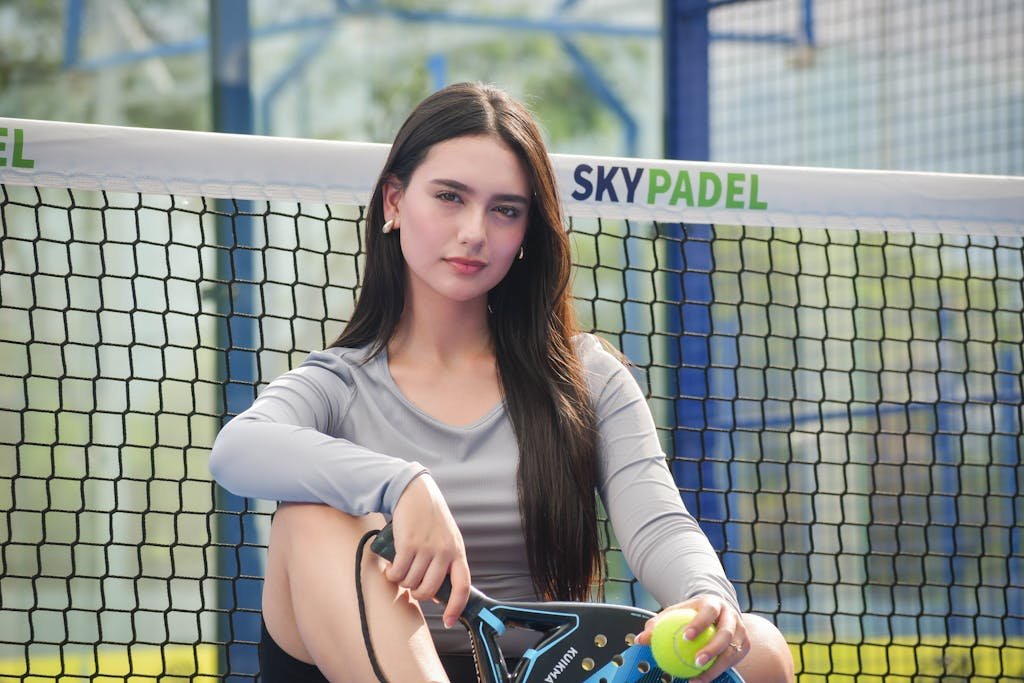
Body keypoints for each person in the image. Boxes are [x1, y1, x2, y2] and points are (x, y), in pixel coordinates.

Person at [209, 82, 794, 683]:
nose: (474, 231)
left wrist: (706, 597)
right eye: (449, 197)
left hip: (543, 671)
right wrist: (402, 485)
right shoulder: (338, 383)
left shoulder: (587, 376)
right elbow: (237, 449)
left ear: (524, 235)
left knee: (763, 650)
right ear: (393, 201)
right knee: (313, 517)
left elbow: (659, 523)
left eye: (505, 210)